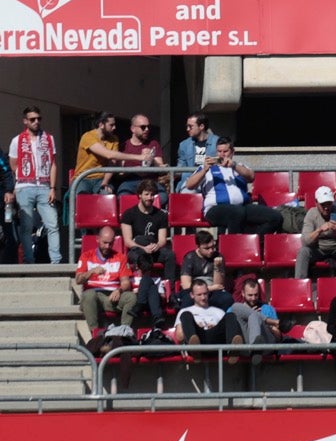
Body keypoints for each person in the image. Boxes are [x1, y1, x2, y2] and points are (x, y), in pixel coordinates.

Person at [184, 139, 280, 234]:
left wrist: (234, 166)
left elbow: (251, 177)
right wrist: (204, 171)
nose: (222, 155)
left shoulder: (238, 166)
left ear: (232, 152)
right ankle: (233, 242)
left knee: (275, 217)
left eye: (225, 151)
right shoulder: (206, 168)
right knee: (236, 212)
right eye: (219, 151)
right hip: (215, 208)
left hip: (242, 207)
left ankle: (254, 240)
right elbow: (189, 185)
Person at [120, 180, 174, 327]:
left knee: (170, 255)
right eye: (146, 194)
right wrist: (143, 248)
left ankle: (171, 292)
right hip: (137, 250)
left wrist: (156, 246)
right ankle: (148, 301)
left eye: (152, 195)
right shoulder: (129, 214)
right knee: (141, 253)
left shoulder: (160, 215)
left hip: (153, 248)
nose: (150, 197)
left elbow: (162, 240)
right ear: (139, 195)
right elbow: (128, 241)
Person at [76, 226, 135, 330]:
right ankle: (95, 333)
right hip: (94, 296)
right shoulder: (86, 256)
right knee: (88, 295)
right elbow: (78, 280)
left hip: (113, 296)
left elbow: (126, 282)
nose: (107, 246)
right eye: (105, 243)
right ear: (98, 239)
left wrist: (119, 290)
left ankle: (124, 331)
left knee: (131, 297)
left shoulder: (120, 257)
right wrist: (91, 272)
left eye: (110, 243)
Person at [296, 186, 336, 277]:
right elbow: (305, 241)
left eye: (329, 204)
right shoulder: (311, 213)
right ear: (316, 202)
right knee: (303, 251)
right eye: (323, 204)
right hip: (318, 249)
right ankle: (300, 283)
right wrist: (319, 230)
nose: (326, 208)